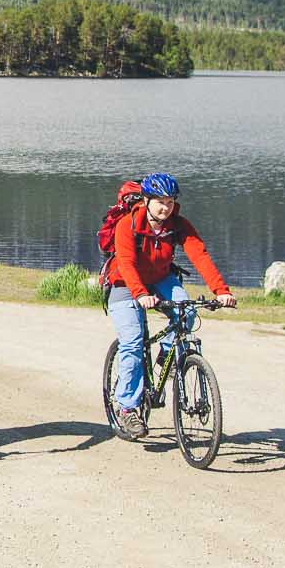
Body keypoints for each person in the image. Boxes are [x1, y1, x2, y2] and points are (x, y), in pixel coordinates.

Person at [107, 172, 236, 438]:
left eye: (169, 201)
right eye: (159, 202)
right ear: (146, 200)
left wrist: (221, 291)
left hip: (160, 279)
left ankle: (168, 356)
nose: (165, 207)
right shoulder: (128, 225)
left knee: (187, 312)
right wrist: (140, 294)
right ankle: (127, 409)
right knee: (132, 342)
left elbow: (200, 256)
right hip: (124, 284)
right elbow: (127, 264)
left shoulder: (178, 225)